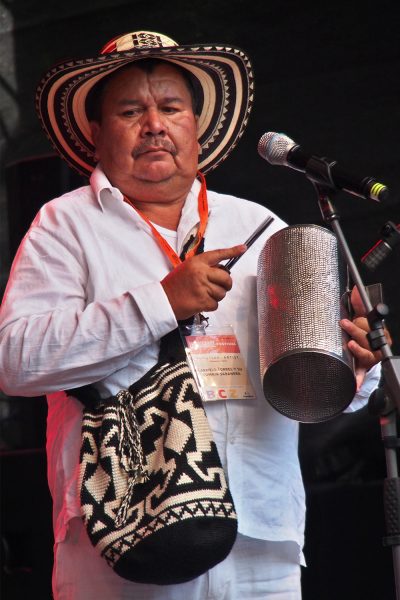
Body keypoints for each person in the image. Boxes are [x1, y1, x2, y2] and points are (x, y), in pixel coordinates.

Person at [0, 31, 383, 599]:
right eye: (131, 110)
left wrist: (351, 368)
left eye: (171, 107)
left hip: (260, 537)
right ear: (96, 134)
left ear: (197, 128)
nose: (154, 123)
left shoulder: (257, 224)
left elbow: (310, 393)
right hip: (126, 536)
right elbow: (16, 361)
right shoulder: (64, 224)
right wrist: (161, 301)